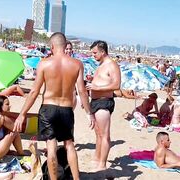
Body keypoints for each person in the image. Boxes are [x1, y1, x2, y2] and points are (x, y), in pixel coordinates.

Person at [13, 32, 94, 180]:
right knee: (69, 145)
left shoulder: (44, 63)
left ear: (51, 46)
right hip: (66, 109)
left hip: (48, 109)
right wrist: (90, 113)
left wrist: (22, 114)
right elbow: (82, 91)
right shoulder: (77, 64)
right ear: (65, 46)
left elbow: (34, 92)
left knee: (51, 147)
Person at [85, 40, 121, 171]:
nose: (93, 55)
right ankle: (97, 157)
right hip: (95, 101)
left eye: (95, 53)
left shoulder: (112, 65)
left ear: (102, 51)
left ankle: (102, 164)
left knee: (104, 134)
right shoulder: (100, 65)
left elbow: (116, 85)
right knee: (98, 133)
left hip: (104, 101)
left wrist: (96, 87)